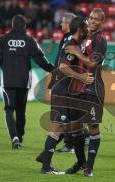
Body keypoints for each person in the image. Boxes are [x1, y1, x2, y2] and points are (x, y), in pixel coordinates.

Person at [37, 16, 92, 175]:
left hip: (68, 92)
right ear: (80, 29)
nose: (87, 30)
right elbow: (62, 67)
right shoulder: (71, 46)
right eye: (86, 28)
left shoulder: (77, 45)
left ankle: (80, 162)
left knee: (73, 127)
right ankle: (46, 167)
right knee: (58, 127)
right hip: (62, 91)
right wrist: (81, 77)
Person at [0, 14, 54, 149]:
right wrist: (53, 70)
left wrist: (6, 65)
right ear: (25, 26)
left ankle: (14, 137)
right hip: (23, 81)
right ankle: (20, 136)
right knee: (21, 110)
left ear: (12, 25)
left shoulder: (3, 39)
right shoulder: (29, 40)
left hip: (7, 80)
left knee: (9, 109)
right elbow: (40, 59)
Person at [65, 8, 107, 177]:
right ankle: (80, 162)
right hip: (76, 87)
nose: (92, 21)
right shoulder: (82, 38)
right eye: (91, 18)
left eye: (97, 19)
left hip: (92, 88)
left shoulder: (101, 40)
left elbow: (92, 63)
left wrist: (76, 53)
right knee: (75, 127)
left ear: (102, 22)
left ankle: (89, 167)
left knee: (93, 127)